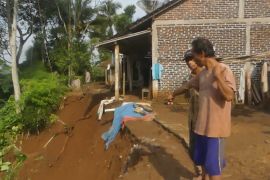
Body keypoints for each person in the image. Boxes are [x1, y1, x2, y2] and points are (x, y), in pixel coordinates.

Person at [169, 37, 236, 180]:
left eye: (194, 54)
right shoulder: (203, 74)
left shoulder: (224, 70)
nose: (192, 58)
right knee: (204, 167)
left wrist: (217, 77)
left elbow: (229, 95)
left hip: (215, 131)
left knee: (213, 171)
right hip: (201, 129)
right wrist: (173, 94)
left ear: (202, 54)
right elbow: (187, 85)